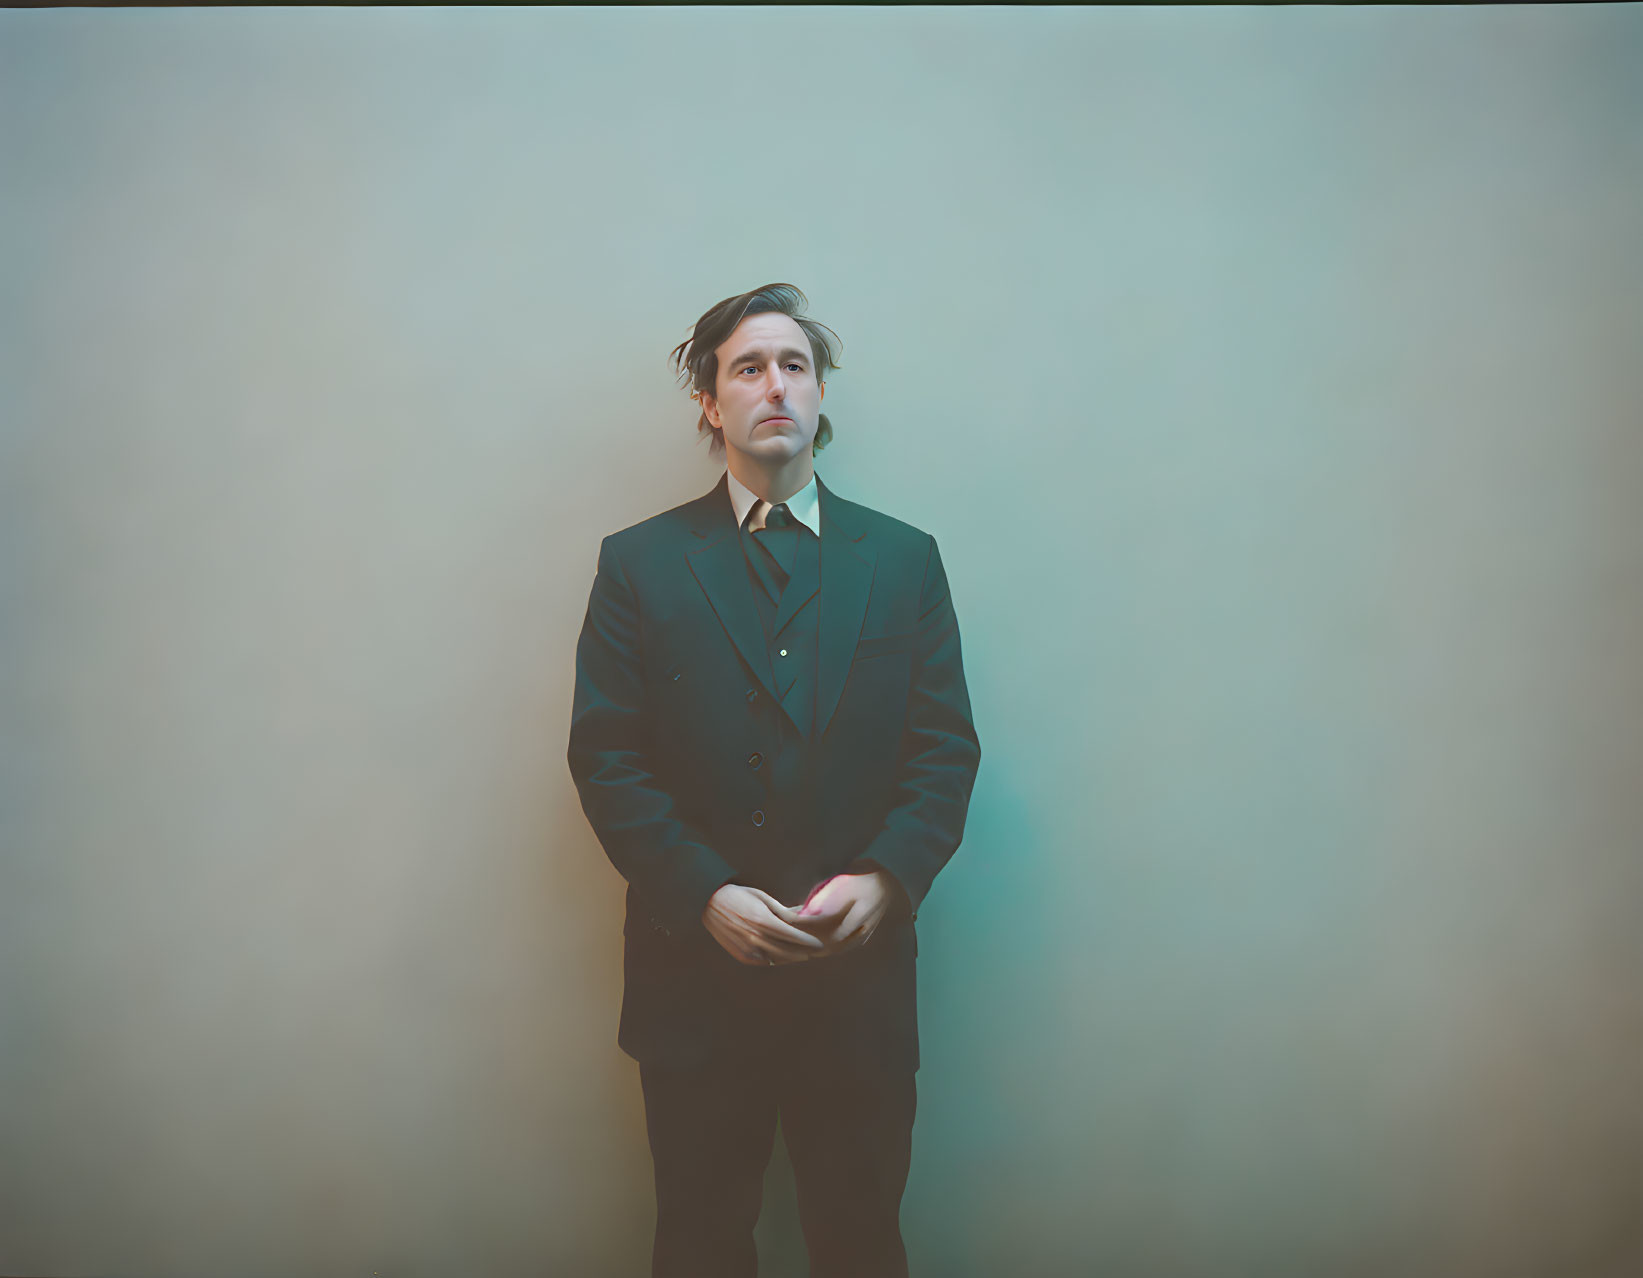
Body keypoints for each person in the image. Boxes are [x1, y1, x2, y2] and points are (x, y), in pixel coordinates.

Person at [567, 282, 981, 1277]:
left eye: (793, 365)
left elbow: (943, 751)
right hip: (693, 986)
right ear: (710, 404)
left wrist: (885, 882)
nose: (774, 386)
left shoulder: (904, 562)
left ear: (820, 394)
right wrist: (702, 895)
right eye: (746, 368)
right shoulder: (638, 565)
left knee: (860, 1245)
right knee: (700, 1246)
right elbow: (605, 755)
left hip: (858, 987)